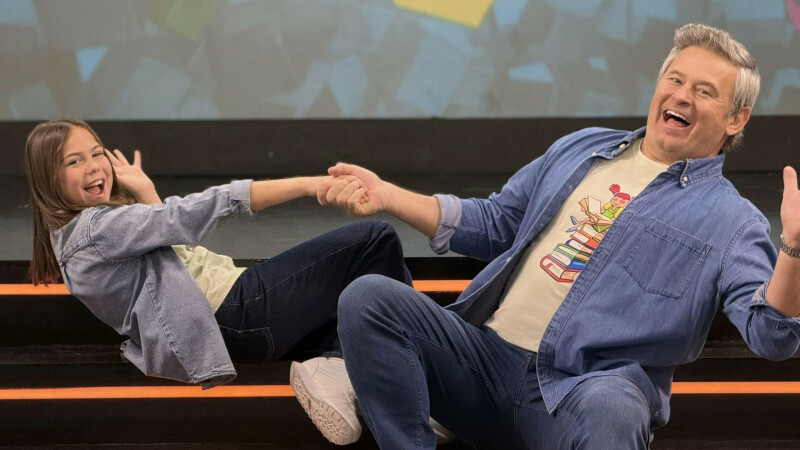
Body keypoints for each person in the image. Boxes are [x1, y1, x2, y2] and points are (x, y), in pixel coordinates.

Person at [311, 23, 800, 448]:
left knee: (616, 407)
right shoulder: (582, 148)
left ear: (736, 118)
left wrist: (793, 247)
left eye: (705, 91)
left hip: (578, 393)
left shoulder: (733, 220)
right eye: (675, 79)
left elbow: (773, 334)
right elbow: (495, 221)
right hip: (481, 362)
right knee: (368, 297)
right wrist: (388, 195)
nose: (682, 96)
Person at [23, 117, 412, 446]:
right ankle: (377, 377)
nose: (94, 166)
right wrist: (309, 185)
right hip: (238, 310)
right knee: (374, 241)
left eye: (97, 154)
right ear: (48, 177)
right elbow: (193, 212)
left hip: (233, 320)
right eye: (74, 161)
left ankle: (374, 388)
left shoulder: (74, 239)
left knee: (356, 308)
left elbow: (170, 244)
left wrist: (144, 191)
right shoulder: (97, 229)